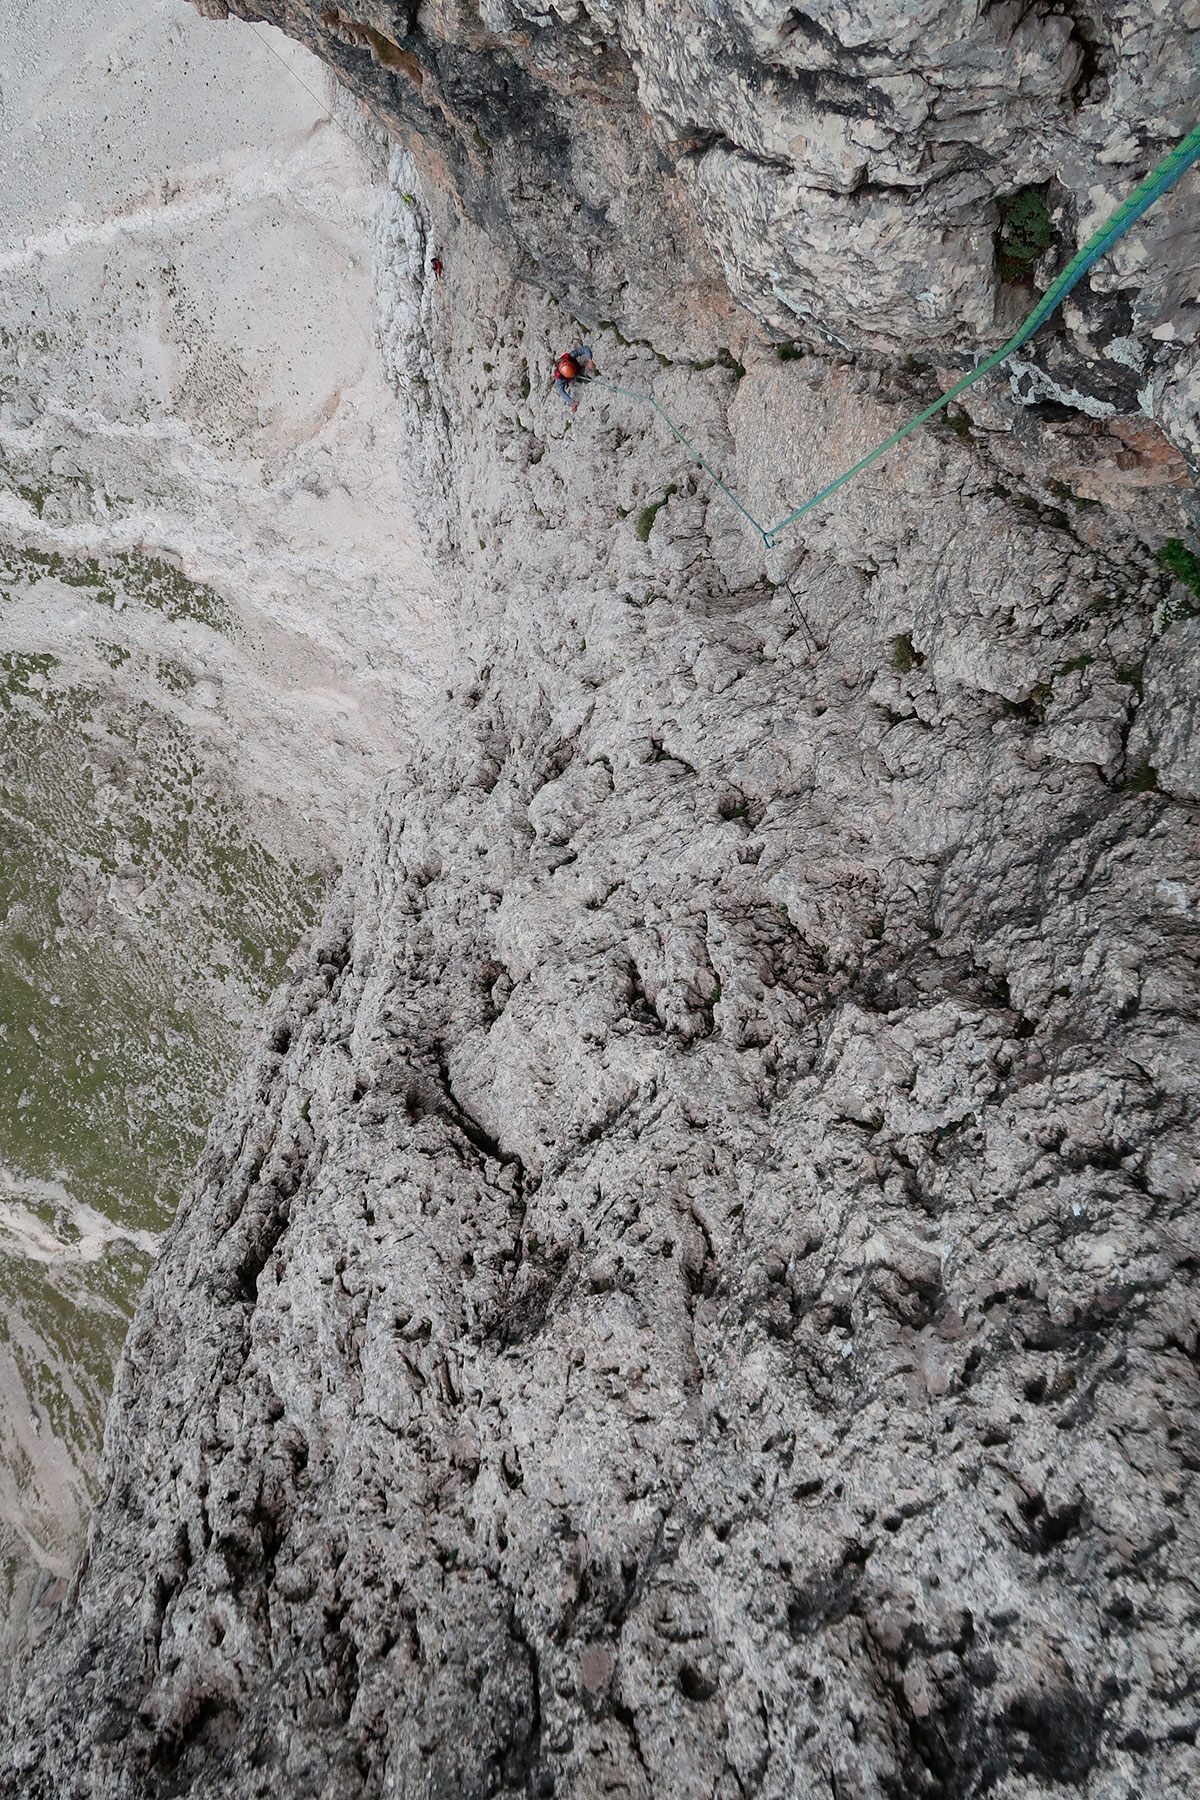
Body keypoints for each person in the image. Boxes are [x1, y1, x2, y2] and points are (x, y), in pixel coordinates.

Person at [552, 343, 597, 411]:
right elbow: (561, 391)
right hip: (571, 377)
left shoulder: (571, 356)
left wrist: (590, 360)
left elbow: (585, 348)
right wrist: (572, 402)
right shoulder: (560, 379)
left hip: (576, 368)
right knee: (579, 378)